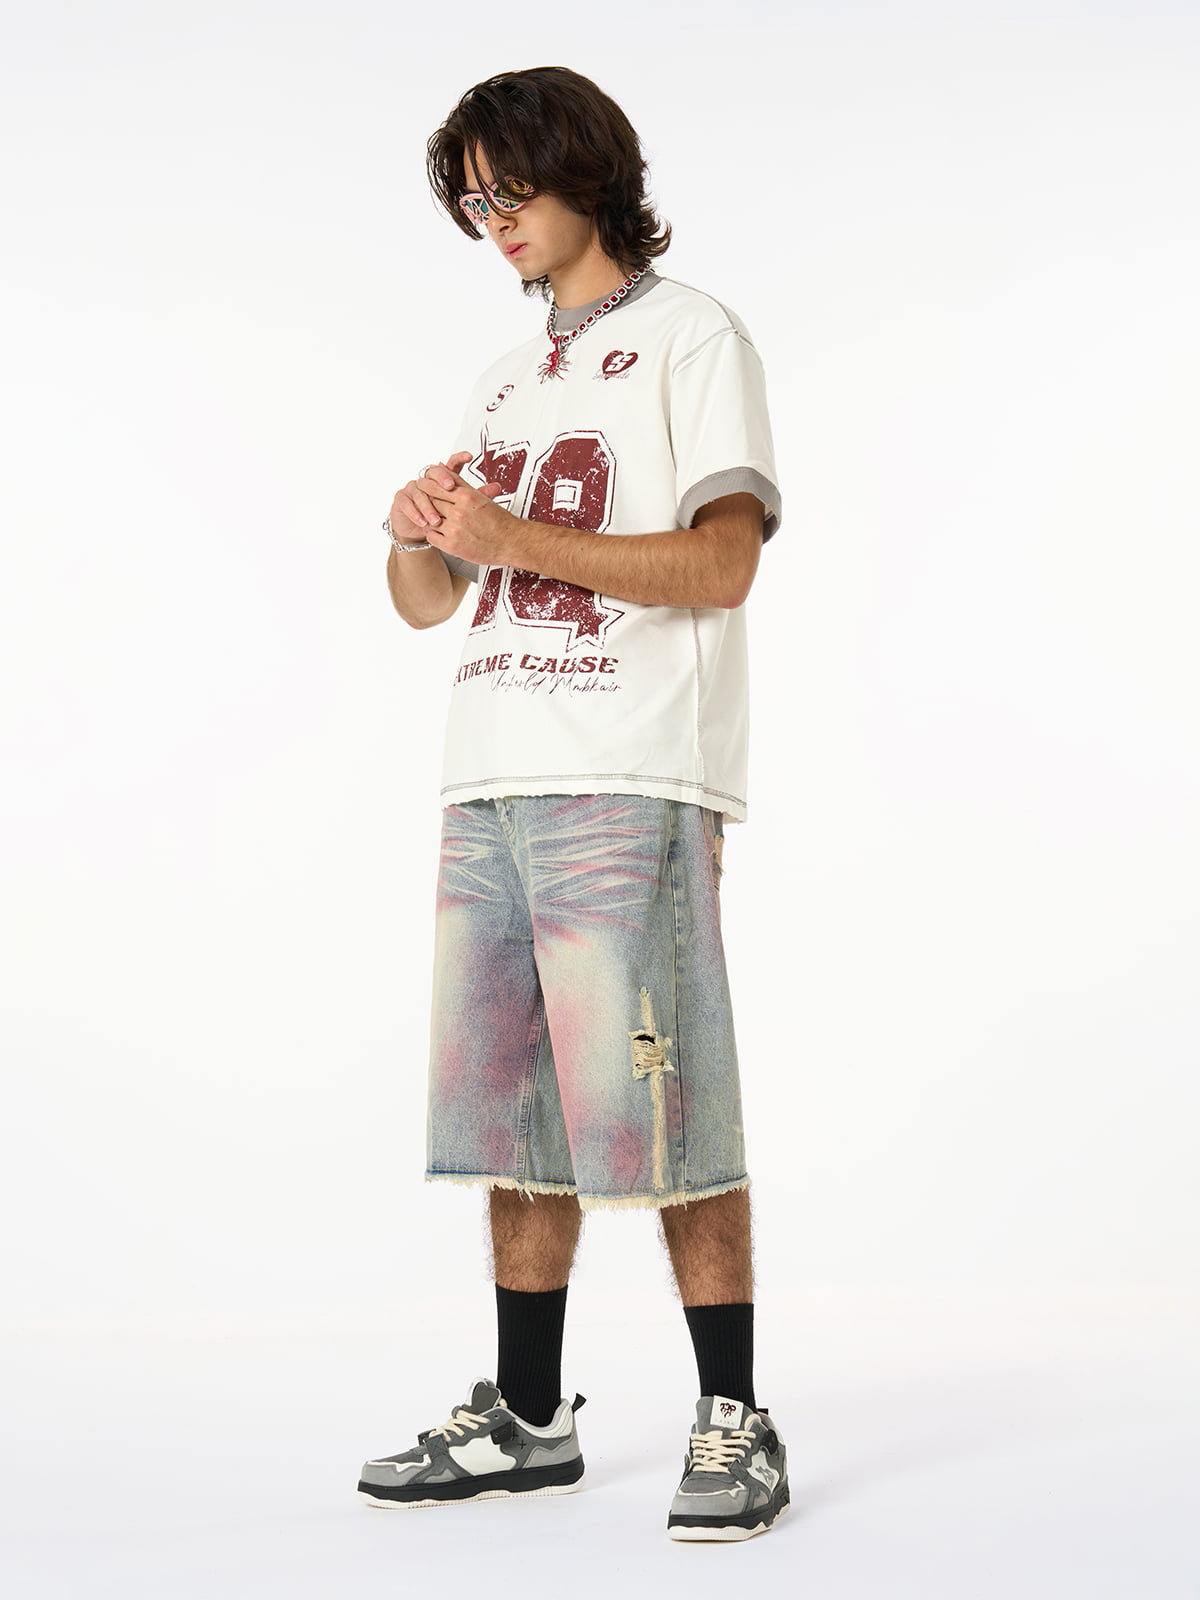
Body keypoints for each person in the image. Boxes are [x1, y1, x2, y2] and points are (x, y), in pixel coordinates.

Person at [358, 65, 788, 1542]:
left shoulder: (692, 337)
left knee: (667, 1099)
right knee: (512, 1118)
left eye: (512, 189)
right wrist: (416, 533)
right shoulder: (504, 376)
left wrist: (517, 533)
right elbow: (430, 603)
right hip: (491, 777)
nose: (495, 221)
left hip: (629, 770)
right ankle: (530, 1417)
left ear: (584, 171)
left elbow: (723, 564)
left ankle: (735, 1413)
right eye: (474, 200)